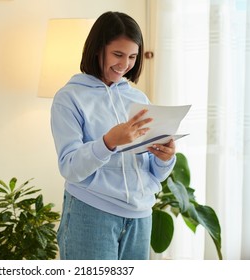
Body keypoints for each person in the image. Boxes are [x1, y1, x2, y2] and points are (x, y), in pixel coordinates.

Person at [50, 11, 176, 260]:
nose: (125, 64)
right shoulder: (69, 98)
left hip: (140, 218)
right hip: (91, 213)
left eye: (132, 56)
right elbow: (70, 167)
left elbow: (153, 172)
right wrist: (109, 142)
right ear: (98, 49)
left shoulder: (138, 98)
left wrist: (165, 158)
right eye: (118, 54)